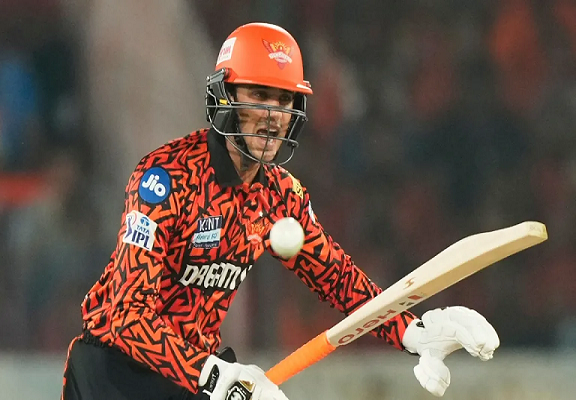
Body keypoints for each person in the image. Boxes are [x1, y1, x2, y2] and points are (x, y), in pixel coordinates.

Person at [61, 22, 499, 400]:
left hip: (195, 377)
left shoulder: (281, 195)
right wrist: (214, 375)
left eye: (284, 100)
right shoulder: (166, 177)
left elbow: (338, 279)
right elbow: (126, 316)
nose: (272, 115)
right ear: (225, 97)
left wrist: (410, 331)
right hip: (115, 375)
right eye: (258, 95)